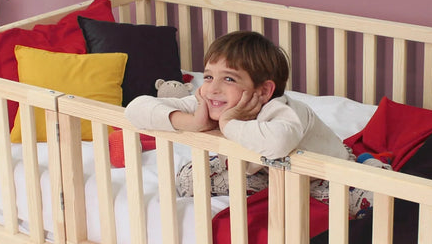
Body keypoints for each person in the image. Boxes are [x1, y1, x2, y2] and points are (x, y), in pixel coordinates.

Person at [125, 30, 352, 197]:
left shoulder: (282, 110)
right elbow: (135, 109)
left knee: (367, 202)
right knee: (188, 179)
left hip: (322, 175)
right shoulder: (210, 100)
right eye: (208, 76)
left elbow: (279, 143)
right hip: (265, 171)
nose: (213, 88)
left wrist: (227, 123)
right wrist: (192, 122)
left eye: (229, 79)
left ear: (263, 91)